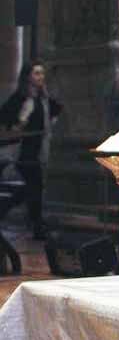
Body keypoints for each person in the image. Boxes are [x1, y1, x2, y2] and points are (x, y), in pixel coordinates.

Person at [0, 60, 63, 251]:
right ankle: (36, 225)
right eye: (36, 73)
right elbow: (5, 117)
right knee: (31, 188)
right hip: (25, 151)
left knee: (36, 188)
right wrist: (18, 124)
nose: (40, 77)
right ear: (28, 76)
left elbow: (55, 110)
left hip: (39, 149)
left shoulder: (42, 98)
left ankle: (37, 225)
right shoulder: (20, 97)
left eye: (42, 73)